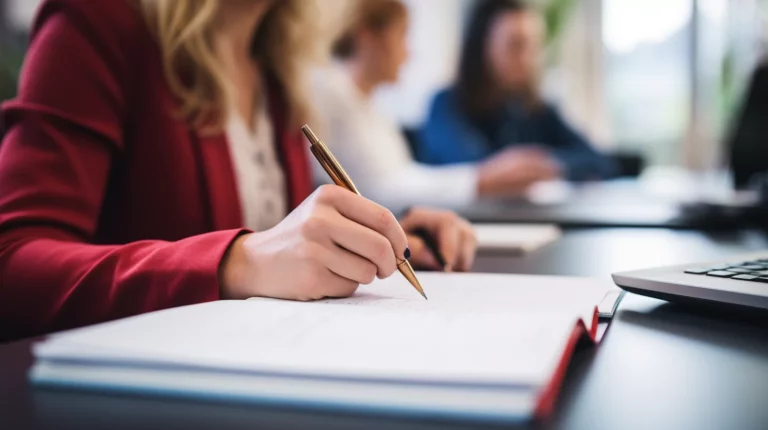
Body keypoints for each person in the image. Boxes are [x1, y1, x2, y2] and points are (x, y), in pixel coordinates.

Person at [0, 0, 477, 342]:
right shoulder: (98, 20)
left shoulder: (277, 67)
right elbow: (14, 264)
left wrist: (381, 237)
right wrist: (237, 262)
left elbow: (281, 243)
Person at [310, 0, 563, 210]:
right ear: (368, 37)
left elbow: (402, 176)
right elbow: (378, 191)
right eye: (402, 35)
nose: (408, 53)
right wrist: (480, 180)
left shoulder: (368, 105)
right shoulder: (331, 95)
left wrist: (481, 178)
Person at [420, 0, 618, 184]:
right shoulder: (446, 105)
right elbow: (471, 168)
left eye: (533, 46)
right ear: (482, 47)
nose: (527, 58)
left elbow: (599, 161)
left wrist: (551, 164)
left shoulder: (534, 109)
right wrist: (518, 167)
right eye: (515, 45)